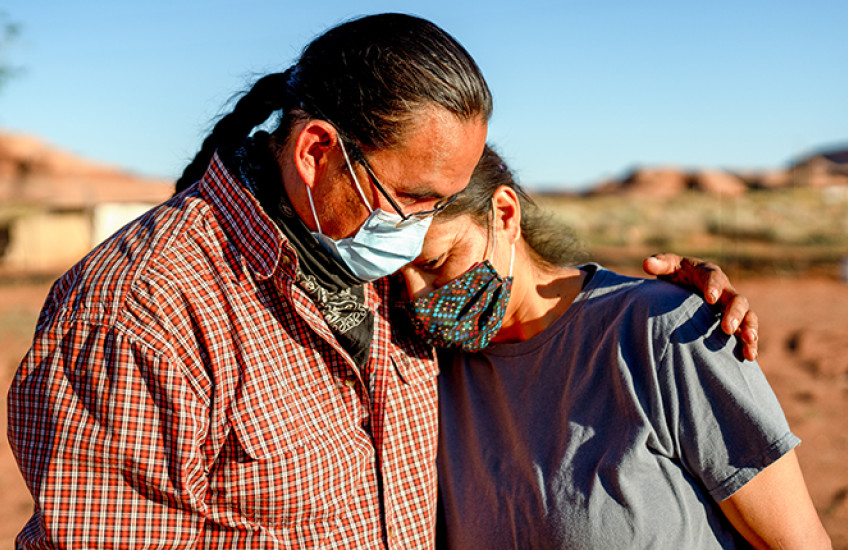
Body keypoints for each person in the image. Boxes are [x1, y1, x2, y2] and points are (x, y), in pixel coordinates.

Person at [7, 13, 755, 549]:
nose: (415, 248)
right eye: (419, 199)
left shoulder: (369, 275)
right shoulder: (137, 313)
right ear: (316, 153)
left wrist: (669, 307)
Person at [400, 146, 831, 549]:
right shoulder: (426, 368)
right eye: (393, 278)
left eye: (435, 263)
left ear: (505, 214)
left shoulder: (663, 331)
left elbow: (797, 542)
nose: (418, 297)